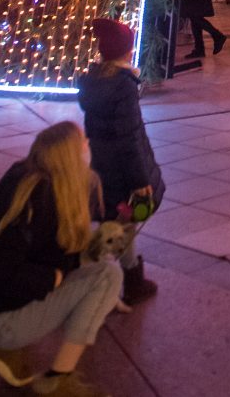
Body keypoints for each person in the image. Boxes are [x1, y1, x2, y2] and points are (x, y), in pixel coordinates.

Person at [0, 120, 118, 396]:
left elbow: (48, 252)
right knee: (109, 275)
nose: (88, 146)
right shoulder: (39, 201)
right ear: (69, 155)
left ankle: (9, 352)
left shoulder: (38, 185)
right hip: (6, 321)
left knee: (99, 268)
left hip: (2, 314)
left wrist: (83, 254)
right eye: (83, 142)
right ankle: (58, 380)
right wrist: (53, 277)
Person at [77, 18, 163, 308]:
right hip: (124, 172)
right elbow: (128, 138)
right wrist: (140, 181)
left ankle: (131, 279)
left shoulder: (96, 82)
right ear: (127, 51)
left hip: (103, 167)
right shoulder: (123, 87)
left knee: (119, 224)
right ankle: (103, 283)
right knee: (121, 227)